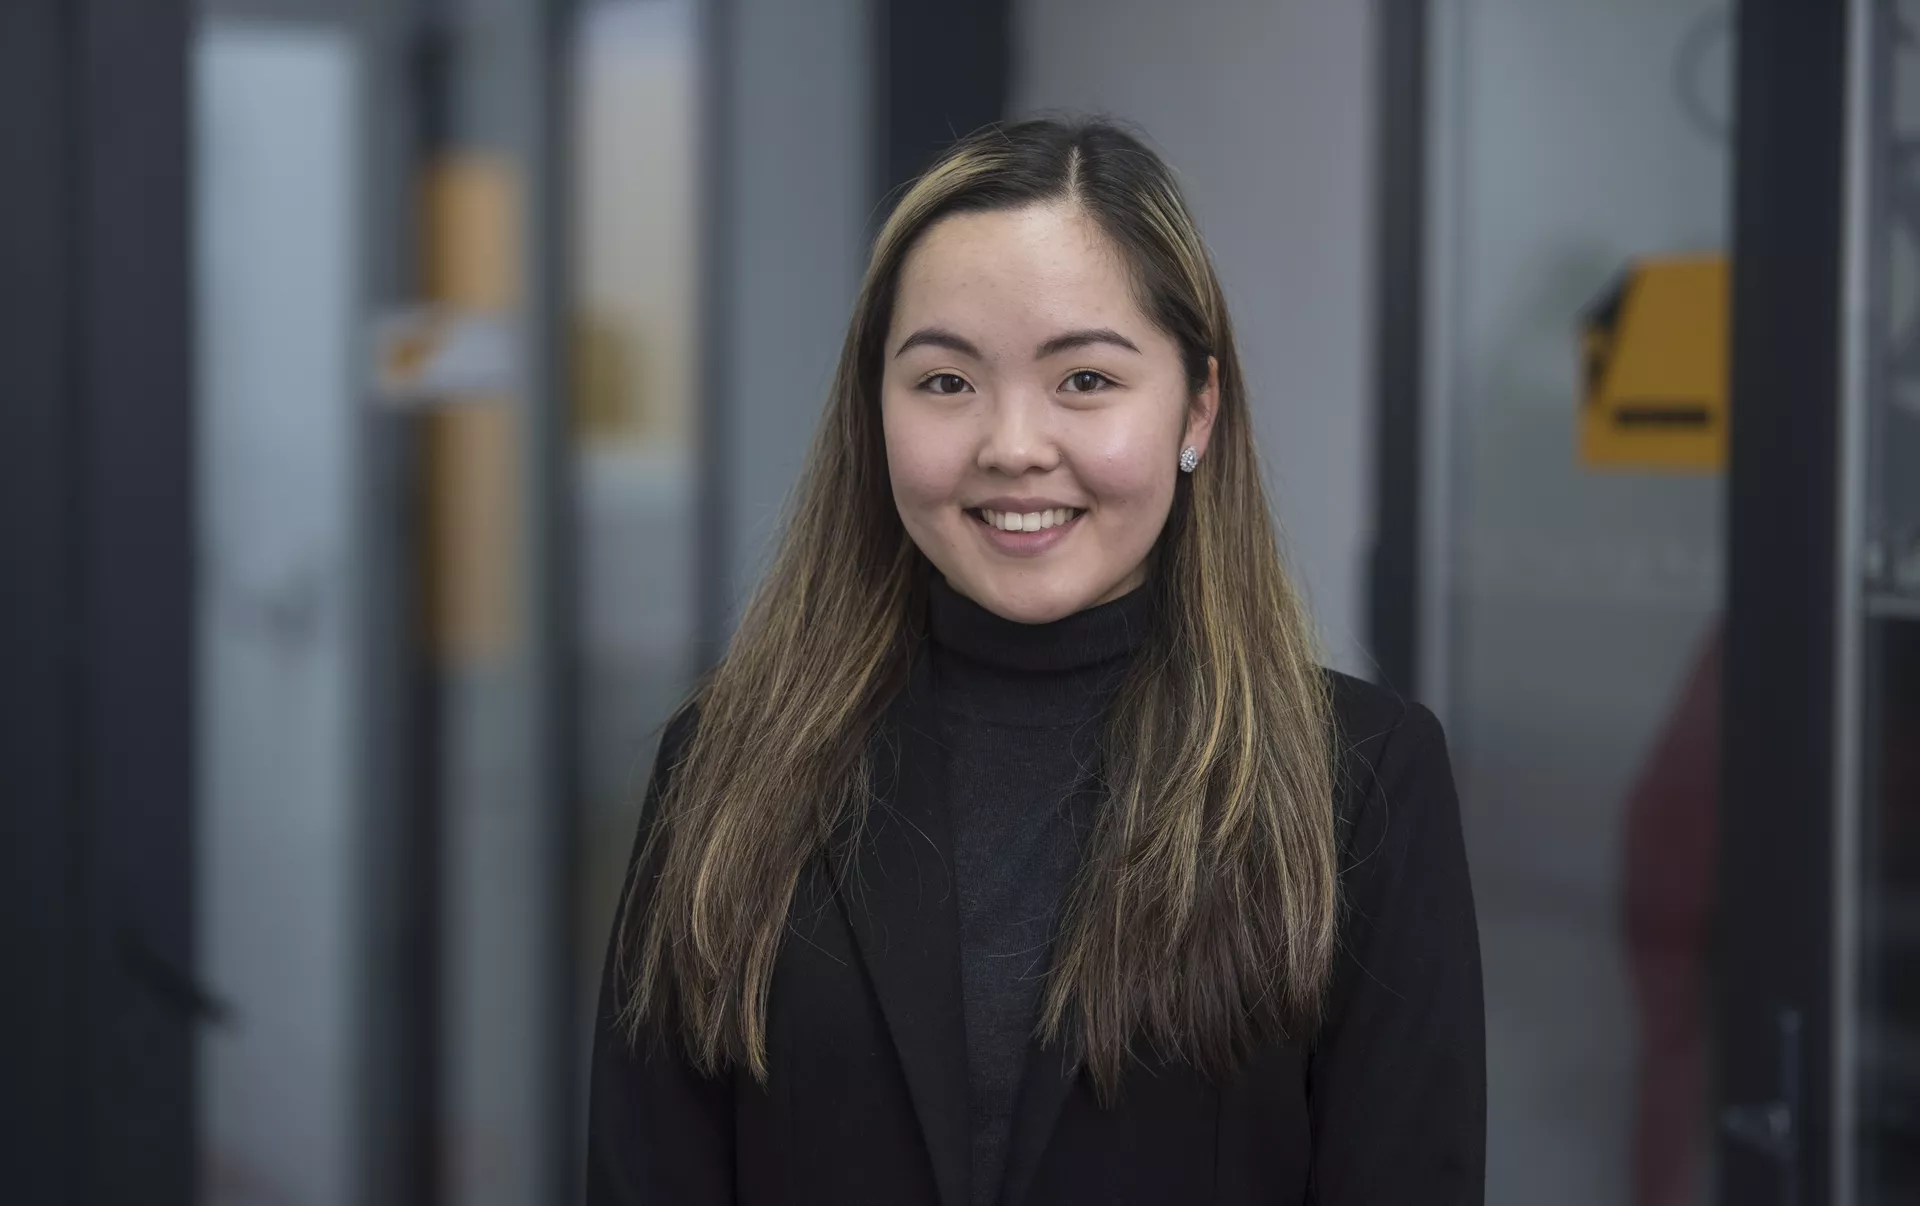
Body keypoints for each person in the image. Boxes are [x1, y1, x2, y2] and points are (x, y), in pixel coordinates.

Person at [587, 118, 1484, 1205]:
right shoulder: (727, 767)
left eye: (1085, 379)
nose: (1012, 445)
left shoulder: (1359, 784)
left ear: (1197, 409)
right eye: (946, 382)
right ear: (876, 408)